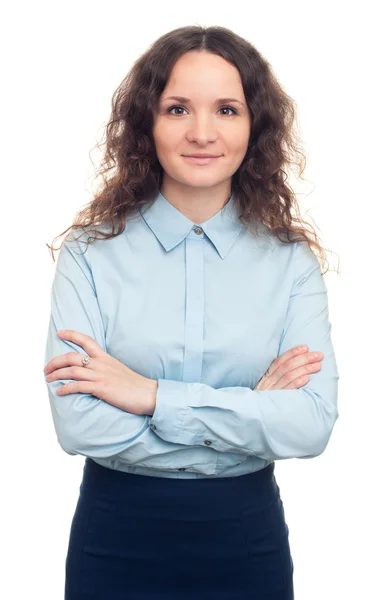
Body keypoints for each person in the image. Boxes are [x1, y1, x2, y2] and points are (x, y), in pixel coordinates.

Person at [43, 25, 339, 600]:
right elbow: (79, 424)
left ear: (254, 127)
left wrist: (148, 395)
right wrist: (252, 412)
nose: (202, 133)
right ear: (145, 124)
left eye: (227, 109)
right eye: (177, 108)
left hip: (246, 539)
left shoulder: (290, 262)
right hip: (115, 536)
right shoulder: (89, 253)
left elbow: (309, 425)